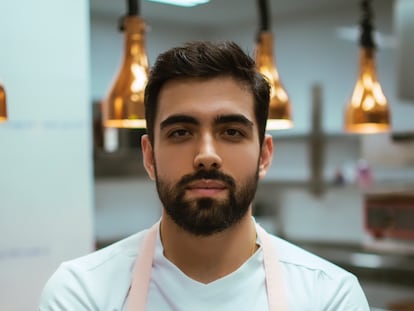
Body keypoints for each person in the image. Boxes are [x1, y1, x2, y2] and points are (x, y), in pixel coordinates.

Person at [39, 41, 370, 310]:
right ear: (150, 156)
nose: (207, 155)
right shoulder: (82, 293)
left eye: (231, 132)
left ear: (264, 155)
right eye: (181, 132)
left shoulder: (329, 297)